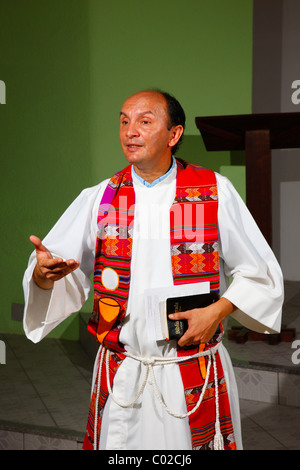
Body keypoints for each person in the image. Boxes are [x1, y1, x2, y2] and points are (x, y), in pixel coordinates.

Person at [23, 90, 283, 451]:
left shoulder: (212, 192)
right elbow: (54, 266)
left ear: (173, 135)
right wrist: (42, 276)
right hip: (124, 372)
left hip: (191, 368)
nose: (131, 131)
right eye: (124, 121)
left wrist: (218, 311)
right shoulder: (102, 198)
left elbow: (260, 272)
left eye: (145, 121)